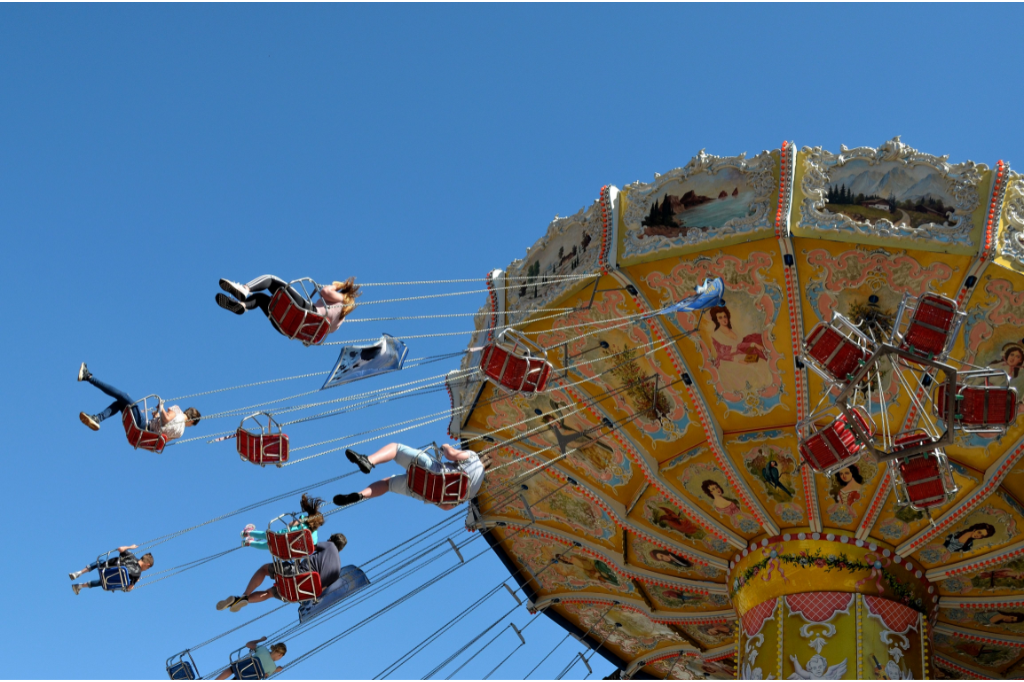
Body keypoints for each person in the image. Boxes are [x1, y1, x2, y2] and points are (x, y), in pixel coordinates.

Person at [333, 442, 486, 511]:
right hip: (424, 492)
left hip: (433, 471)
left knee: (396, 448)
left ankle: (369, 460)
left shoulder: (474, 458)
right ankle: (361, 495)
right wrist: (433, 496)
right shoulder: (473, 491)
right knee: (388, 484)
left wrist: (446, 446)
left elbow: (452, 454)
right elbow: (447, 507)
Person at [216, 533, 347, 612]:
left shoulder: (330, 546)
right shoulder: (337, 572)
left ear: (331, 539)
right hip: (298, 593)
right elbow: (320, 589)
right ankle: (240, 601)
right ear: (341, 549)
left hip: (296, 574)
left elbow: (308, 545)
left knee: (264, 569)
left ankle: (244, 596)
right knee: (269, 594)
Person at [76, 363, 200, 438]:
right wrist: (157, 416)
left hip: (144, 426)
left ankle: (88, 377)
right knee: (120, 403)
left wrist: (161, 406)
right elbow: (163, 436)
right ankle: (97, 419)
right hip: (146, 433)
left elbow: (167, 418)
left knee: (122, 395)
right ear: (191, 422)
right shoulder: (180, 433)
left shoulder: (177, 410)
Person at [215, 276, 360, 338]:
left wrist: (337, 285)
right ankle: (241, 305)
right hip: (290, 330)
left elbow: (325, 291)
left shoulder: (342, 299)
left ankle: (244, 289)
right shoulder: (339, 323)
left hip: (305, 311)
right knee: (261, 299)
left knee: (271, 280)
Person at [242, 494, 325, 550]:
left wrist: (299, 520)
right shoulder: (314, 537)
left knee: (267, 536)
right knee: (268, 546)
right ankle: (249, 543)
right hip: (286, 548)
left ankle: (248, 532)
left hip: (281, 536)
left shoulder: (303, 521)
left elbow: (290, 525)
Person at [69, 544, 154, 595]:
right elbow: (129, 588)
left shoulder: (131, 556)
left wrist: (130, 547)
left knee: (101, 561)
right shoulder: (138, 574)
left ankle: (79, 573)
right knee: (103, 581)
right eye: (147, 568)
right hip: (111, 581)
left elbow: (120, 548)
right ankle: (79, 586)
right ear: (147, 564)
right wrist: (135, 581)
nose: (146, 570)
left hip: (106, 568)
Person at [215, 637, 286, 680]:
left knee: (232, 669)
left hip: (240, 668)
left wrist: (260, 640)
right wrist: (275, 670)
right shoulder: (273, 667)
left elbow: (248, 644)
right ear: (280, 655)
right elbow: (264, 676)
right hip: (247, 678)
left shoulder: (263, 649)